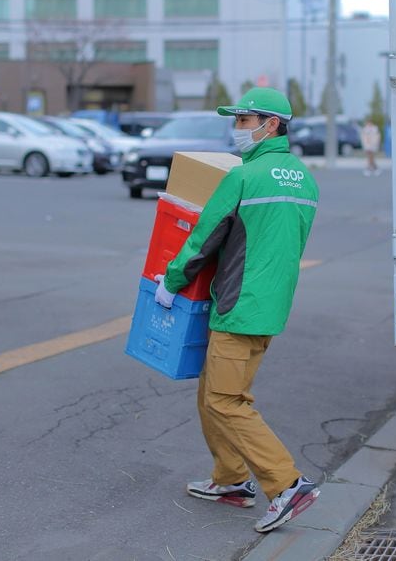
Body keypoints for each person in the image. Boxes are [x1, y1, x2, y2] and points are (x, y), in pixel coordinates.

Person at [152, 87, 320, 533]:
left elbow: (204, 239)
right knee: (215, 390)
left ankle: (286, 484)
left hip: (237, 305)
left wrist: (171, 283)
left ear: (271, 125)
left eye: (244, 121)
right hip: (271, 306)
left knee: (226, 400)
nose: (237, 129)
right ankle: (230, 480)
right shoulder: (304, 178)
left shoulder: (244, 178)